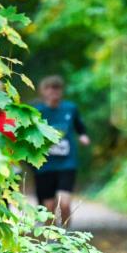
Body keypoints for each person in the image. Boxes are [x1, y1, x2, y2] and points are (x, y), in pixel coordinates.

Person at [33, 75, 90, 226]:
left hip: (67, 163)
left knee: (64, 203)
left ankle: (66, 235)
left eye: (57, 88)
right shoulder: (36, 112)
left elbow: (79, 126)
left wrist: (83, 136)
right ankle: (51, 241)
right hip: (44, 164)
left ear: (62, 91)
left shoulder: (70, 108)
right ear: (43, 91)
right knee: (49, 207)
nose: (53, 91)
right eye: (49, 88)